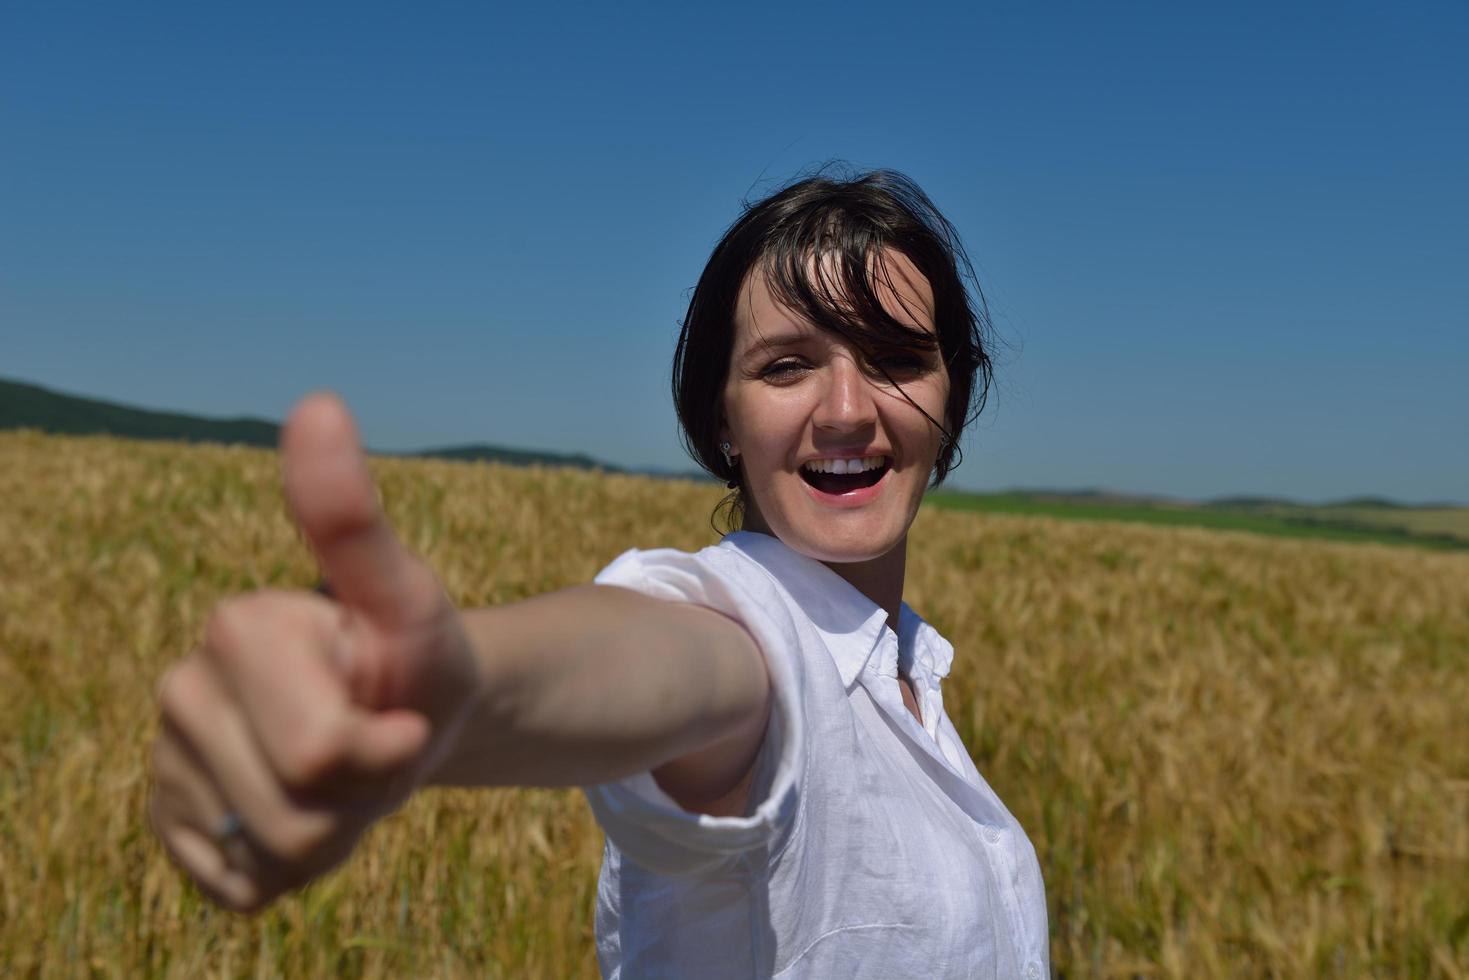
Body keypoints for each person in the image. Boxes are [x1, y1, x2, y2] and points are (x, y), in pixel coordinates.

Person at [148, 169, 1050, 978]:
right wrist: (452, 691)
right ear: (723, 423)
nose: (847, 410)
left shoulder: (911, 667)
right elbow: (664, 664)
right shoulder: (753, 647)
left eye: (896, 360)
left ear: (948, 399)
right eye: (785, 367)